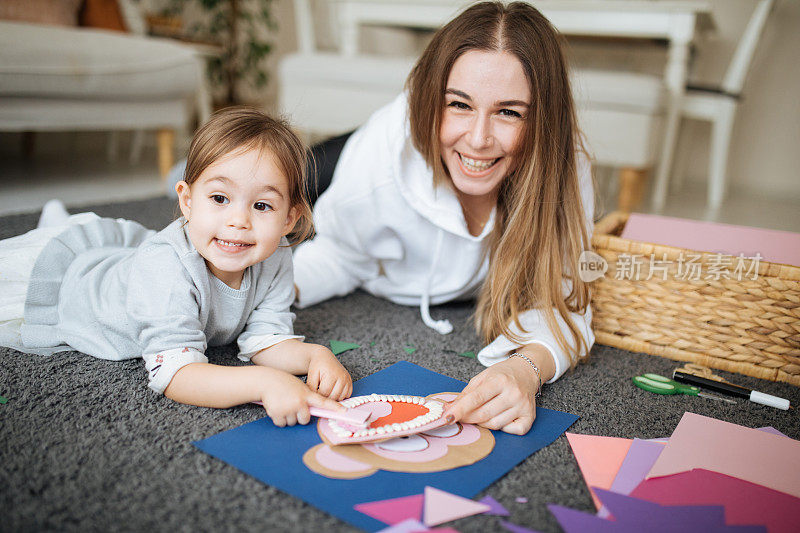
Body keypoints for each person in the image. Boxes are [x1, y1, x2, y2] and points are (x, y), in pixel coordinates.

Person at [293, 1, 595, 435]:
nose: (478, 138)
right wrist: (261, 291)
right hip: (358, 160)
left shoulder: (563, 165)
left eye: (509, 112)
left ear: (543, 122)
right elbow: (338, 255)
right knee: (274, 182)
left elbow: (568, 299)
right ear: (432, 98)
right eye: (459, 104)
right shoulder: (377, 167)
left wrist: (526, 370)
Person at [0, 108, 351, 427]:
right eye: (219, 199)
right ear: (187, 200)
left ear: (289, 218)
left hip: (130, 266)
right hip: (75, 285)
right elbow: (175, 374)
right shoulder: (165, 268)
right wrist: (264, 383)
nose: (238, 221)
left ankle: (60, 222)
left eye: (262, 205)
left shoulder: (275, 257)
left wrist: (313, 356)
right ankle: (57, 227)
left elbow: (266, 339)